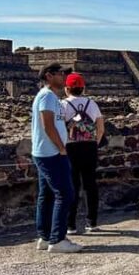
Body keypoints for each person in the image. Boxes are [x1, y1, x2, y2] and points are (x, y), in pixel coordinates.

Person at [31, 62, 82, 253]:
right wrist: (61, 148)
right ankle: (58, 239)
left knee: (48, 195)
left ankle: (45, 236)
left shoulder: (51, 97)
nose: (64, 77)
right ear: (49, 76)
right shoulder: (46, 97)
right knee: (65, 193)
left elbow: (56, 124)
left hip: (46, 151)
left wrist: (68, 127)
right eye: (60, 74)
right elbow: (47, 125)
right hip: (51, 152)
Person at [62, 72, 104, 234]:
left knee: (71, 185)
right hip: (89, 147)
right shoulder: (92, 104)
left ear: (67, 89)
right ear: (83, 88)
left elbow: (59, 128)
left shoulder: (63, 105)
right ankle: (91, 222)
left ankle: (70, 224)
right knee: (90, 185)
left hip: (70, 148)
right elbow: (100, 128)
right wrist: (95, 142)